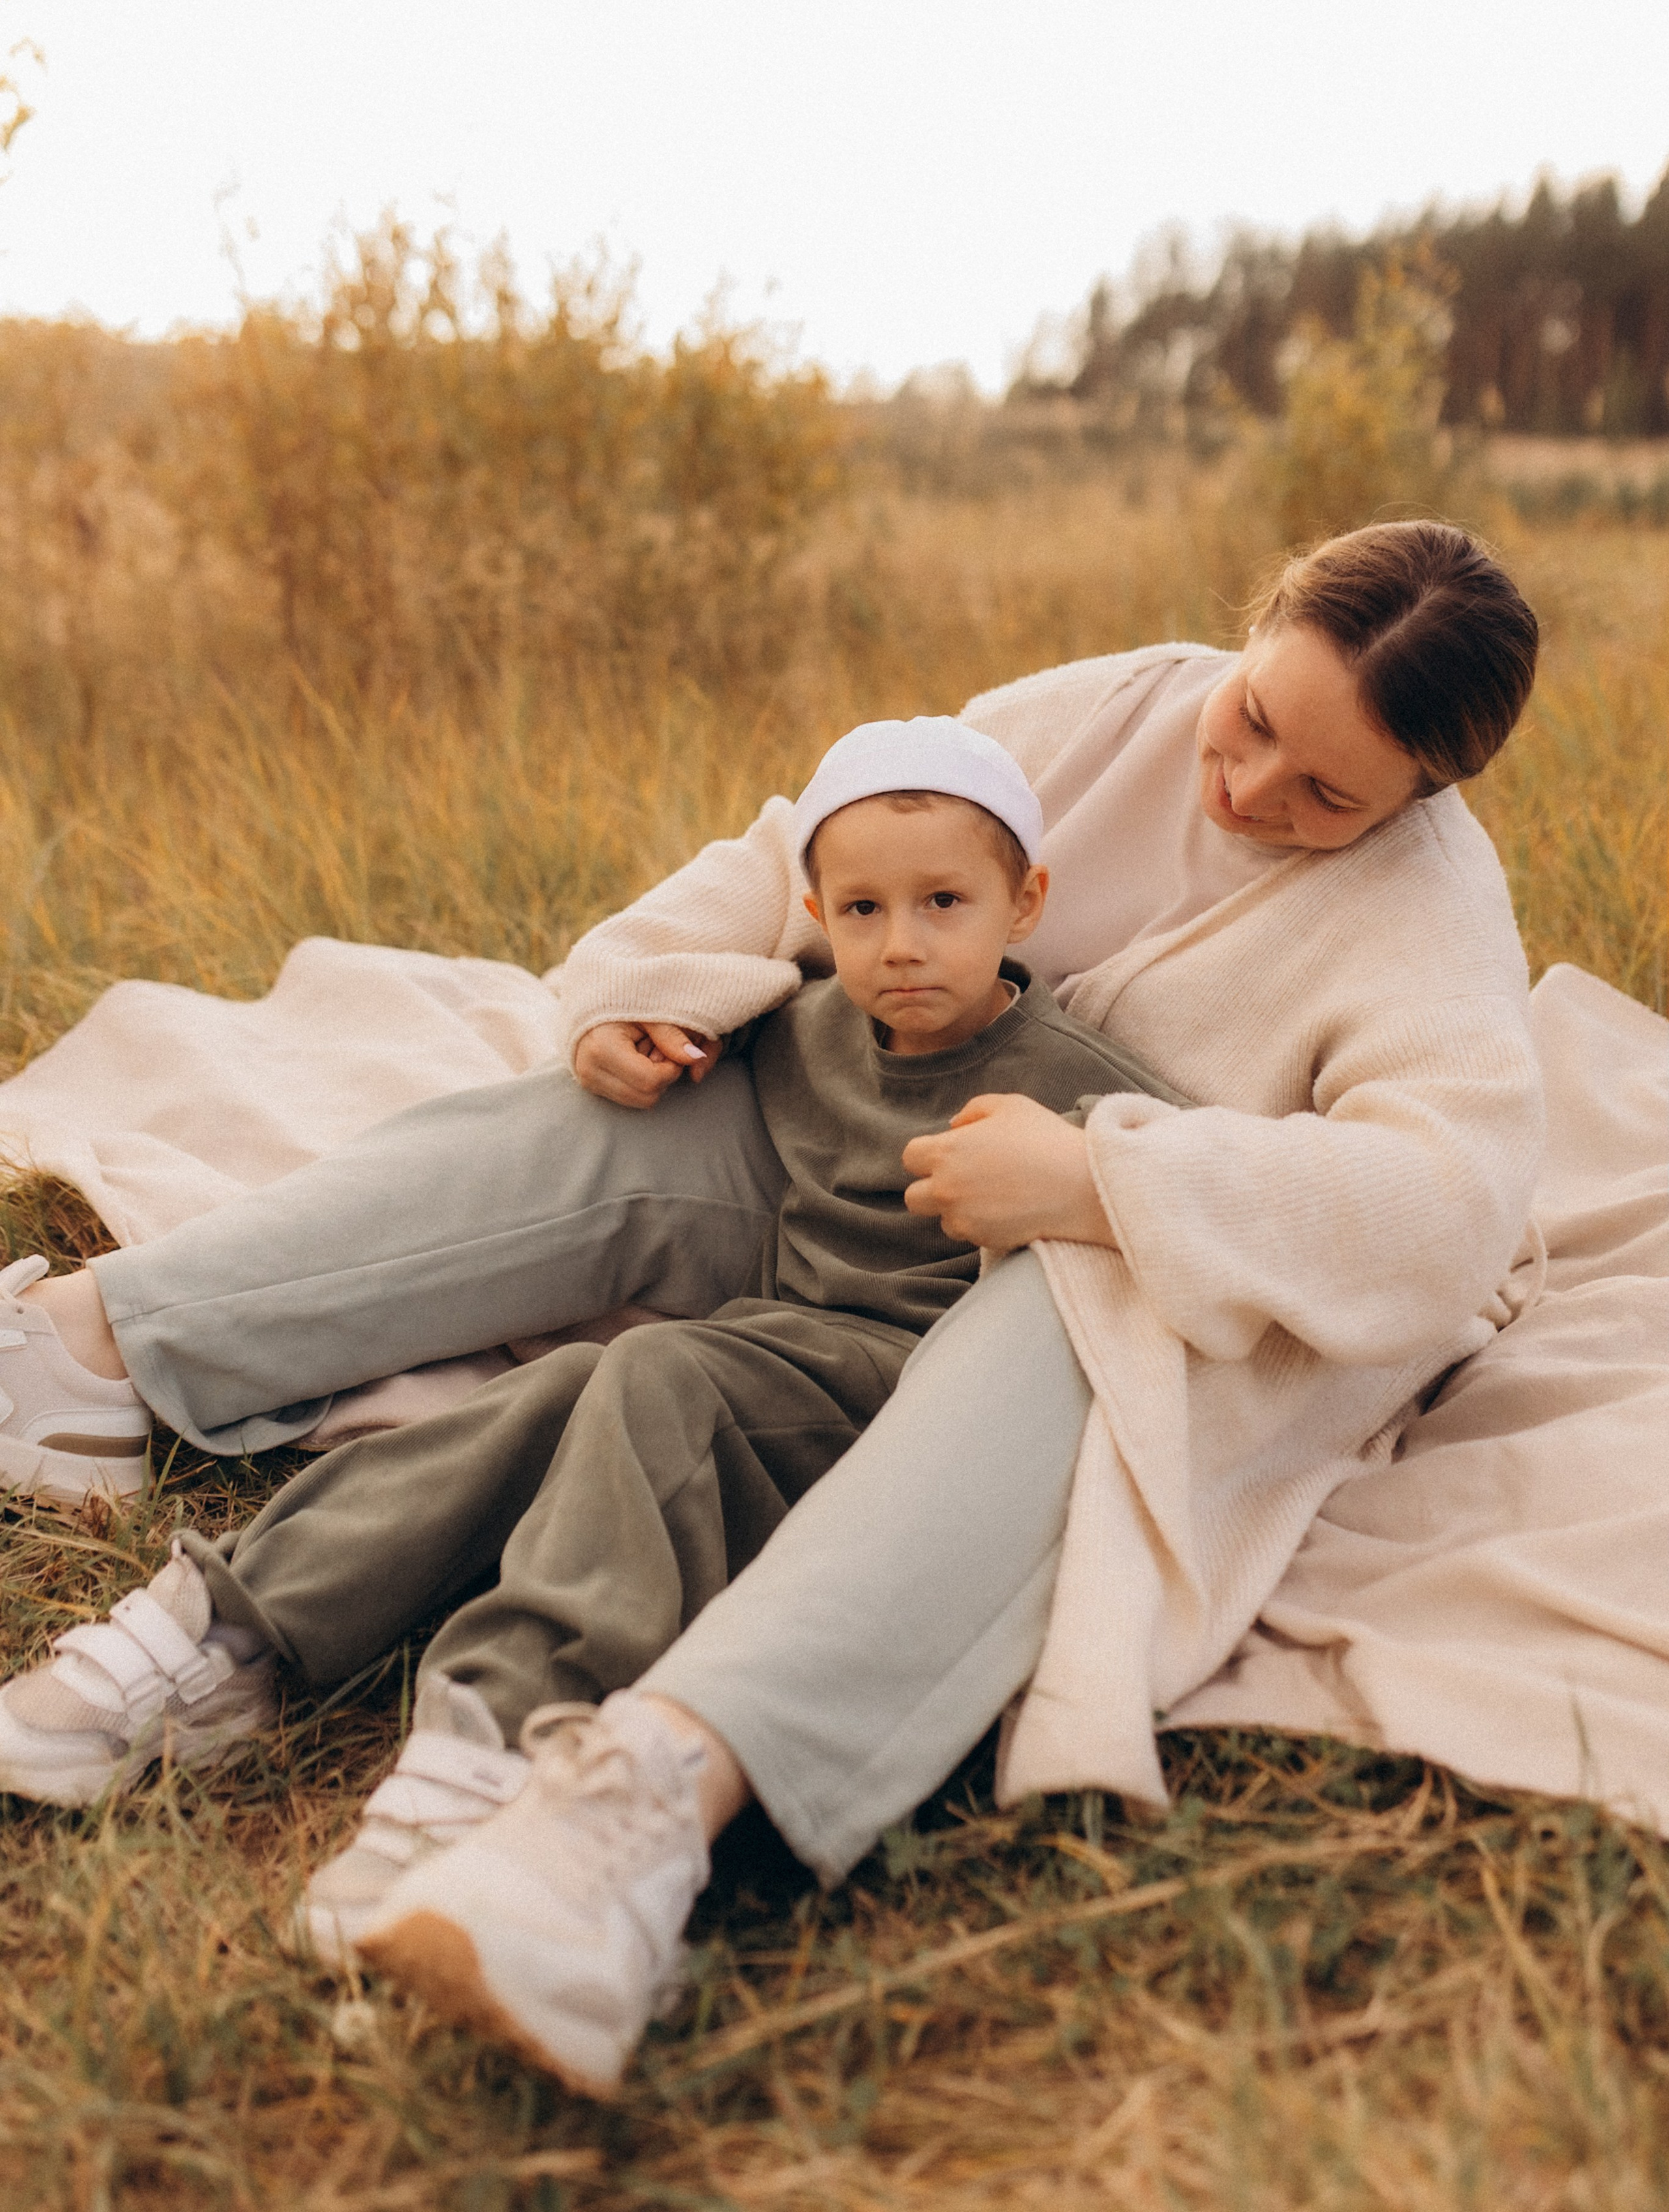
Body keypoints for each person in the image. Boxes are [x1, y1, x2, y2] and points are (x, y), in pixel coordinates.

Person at [0, 521, 1543, 2102]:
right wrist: (642, 991)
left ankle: (640, 1811)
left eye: (1326, 796)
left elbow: (1450, 1207)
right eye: (1257, 723)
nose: (1250, 792)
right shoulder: (1111, 713)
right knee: (633, 1110)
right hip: (862, 1157)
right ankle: (87, 1353)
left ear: (1422, 797)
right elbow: (804, 848)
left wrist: (1103, 1183)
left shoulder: (1423, 917)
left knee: (1063, 1324)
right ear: (1253, 627)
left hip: (1103, 1265)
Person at [0, 724, 1182, 1917]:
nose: (905, 945)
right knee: (562, 1391)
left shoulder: (1073, 1078)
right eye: (865, 911)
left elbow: (1197, 1182)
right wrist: (625, 1021)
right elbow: (672, 985)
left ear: (1024, 903)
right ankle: (228, 1637)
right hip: (765, 1358)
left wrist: (1099, 1173)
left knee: (658, 1372)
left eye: (945, 903)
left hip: (904, 1407)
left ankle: (494, 1736)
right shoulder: (812, 1029)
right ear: (819, 912)